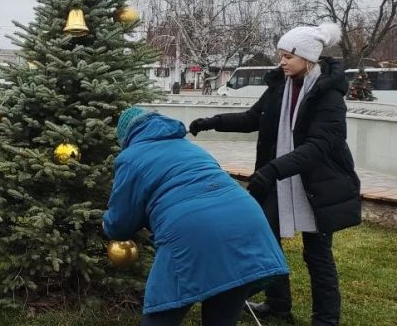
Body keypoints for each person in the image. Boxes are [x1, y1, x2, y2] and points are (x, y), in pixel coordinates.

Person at [189, 23, 361, 325]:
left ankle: (326, 319)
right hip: (281, 182)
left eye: (288, 56)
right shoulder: (280, 87)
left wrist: (272, 170)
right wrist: (212, 121)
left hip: (317, 184)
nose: (281, 61)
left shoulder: (329, 97)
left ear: (307, 58)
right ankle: (278, 303)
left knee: (317, 255)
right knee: (267, 241)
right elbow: (252, 118)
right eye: (280, 55)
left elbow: (318, 147)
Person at [104, 107, 288, 326]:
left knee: (161, 315)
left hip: (192, 234)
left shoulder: (130, 158)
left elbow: (119, 225)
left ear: (126, 137)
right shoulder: (191, 148)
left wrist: (109, 223)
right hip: (248, 221)